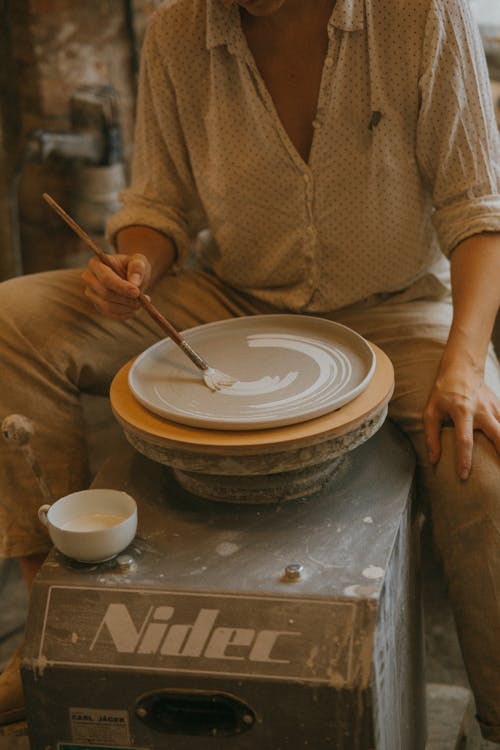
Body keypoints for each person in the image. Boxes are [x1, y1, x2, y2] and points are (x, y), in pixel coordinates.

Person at [0, 0, 499, 740]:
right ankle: (62, 628)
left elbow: (478, 213)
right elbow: (159, 203)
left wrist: (464, 362)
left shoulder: (421, 16)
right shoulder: (180, 31)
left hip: (396, 307)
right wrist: (138, 261)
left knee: (480, 461)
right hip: (232, 298)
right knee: (13, 318)